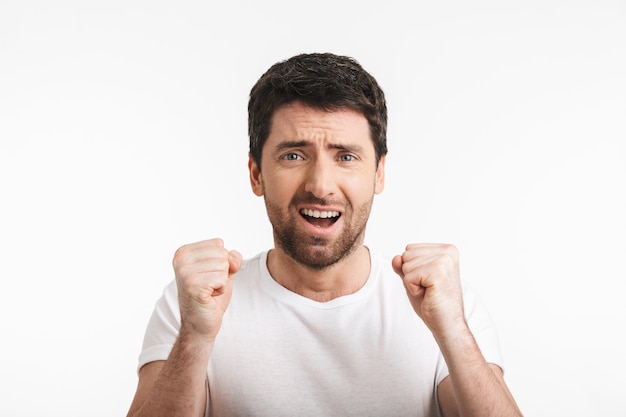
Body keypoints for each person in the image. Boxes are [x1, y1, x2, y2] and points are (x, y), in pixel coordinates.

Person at [126, 52, 523, 417]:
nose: (320, 184)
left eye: (345, 156)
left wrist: (451, 326)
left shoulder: (447, 304)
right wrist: (195, 337)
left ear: (379, 173)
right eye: (293, 155)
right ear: (256, 173)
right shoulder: (196, 304)